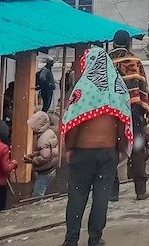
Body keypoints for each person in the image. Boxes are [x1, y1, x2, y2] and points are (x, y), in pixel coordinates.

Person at [62, 46, 131, 246]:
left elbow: (73, 122)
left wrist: (70, 148)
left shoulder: (82, 89)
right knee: (101, 198)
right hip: (107, 153)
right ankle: (95, 238)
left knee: (77, 195)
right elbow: (122, 121)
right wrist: (119, 149)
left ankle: (71, 239)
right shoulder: (117, 89)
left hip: (82, 153)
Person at [110, 29, 149, 200]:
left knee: (112, 149)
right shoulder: (135, 61)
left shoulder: (106, 61)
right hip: (135, 111)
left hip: (112, 112)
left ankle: (112, 192)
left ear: (113, 43)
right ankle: (140, 190)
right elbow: (143, 87)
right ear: (129, 43)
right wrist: (145, 111)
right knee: (137, 149)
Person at [25, 111, 59, 198]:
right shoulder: (49, 133)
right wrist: (34, 154)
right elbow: (45, 151)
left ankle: (38, 209)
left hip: (46, 171)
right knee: (39, 189)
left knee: (38, 195)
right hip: (49, 168)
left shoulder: (43, 140)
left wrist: (32, 160)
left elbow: (44, 157)